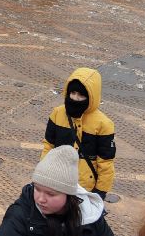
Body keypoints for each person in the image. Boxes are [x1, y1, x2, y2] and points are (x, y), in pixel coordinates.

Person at [42, 67, 116, 199]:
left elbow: (105, 162)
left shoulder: (104, 124)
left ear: (91, 97)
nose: (75, 98)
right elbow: (49, 146)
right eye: (73, 92)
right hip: (57, 182)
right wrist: (43, 174)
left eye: (81, 95)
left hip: (84, 190)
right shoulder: (57, 114)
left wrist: (100, 192)